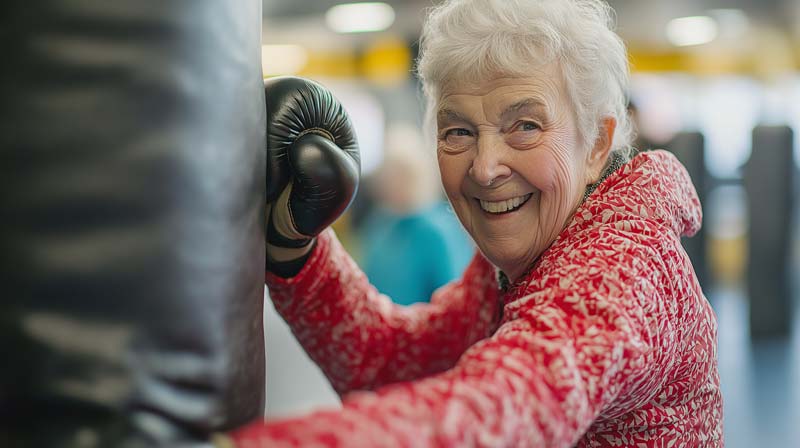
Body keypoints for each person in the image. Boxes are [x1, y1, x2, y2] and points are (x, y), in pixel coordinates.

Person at [231, 0, 722, 446]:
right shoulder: (521, 264)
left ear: (596, 144)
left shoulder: (627, 268)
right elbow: (391, 365)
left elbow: (499, 408)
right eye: (459, 131)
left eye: (525, 126)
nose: (485, 168)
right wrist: (299, 251)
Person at [359, 124, 474, 305]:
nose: (390, 182)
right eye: (388, 173)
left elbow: (454, 298)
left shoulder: (438, 230)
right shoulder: (380, 222)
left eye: (400, 174)